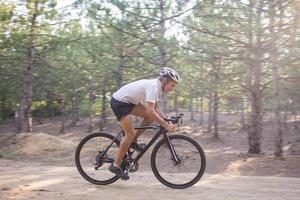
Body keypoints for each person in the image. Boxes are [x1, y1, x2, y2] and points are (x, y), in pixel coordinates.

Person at [109, 67, 181, 180]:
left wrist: (165, 118)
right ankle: (115, 165)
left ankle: (132, 142)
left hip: (130, 102)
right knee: (130, 134)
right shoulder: (153, 86)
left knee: (148, 118)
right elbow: (151, 110)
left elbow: (155, 108)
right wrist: (165, 125)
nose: (172, 88)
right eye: (172, 85)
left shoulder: (158, 88)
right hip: (120, 102)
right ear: (165, 81)